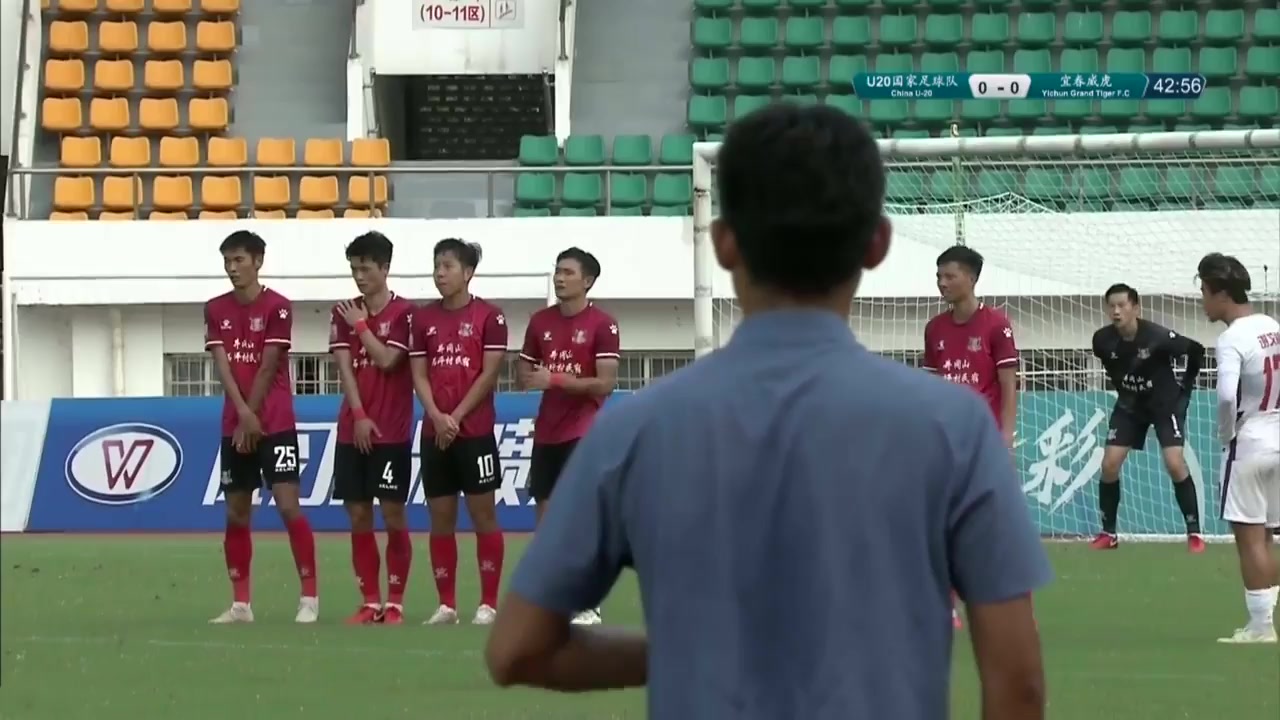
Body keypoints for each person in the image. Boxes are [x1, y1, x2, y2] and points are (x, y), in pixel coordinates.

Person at [485, 104, 1050, 720]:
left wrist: (685, 652)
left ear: (725, 243)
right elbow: (1017, 683)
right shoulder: (955, 427)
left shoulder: (638, 427)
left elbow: (515, 648)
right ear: (876, 243)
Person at [204, 230, 318, 624]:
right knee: (236, 512)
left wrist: (252, 415)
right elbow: (222, 364)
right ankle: (240, 604)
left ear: (258, 261)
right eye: (227, 261)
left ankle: (309, 598)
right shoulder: (215, 308)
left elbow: (269, 364)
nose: (232, 268)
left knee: (288, 506)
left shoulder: (278, 307)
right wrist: (242, 414)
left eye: (239, 260)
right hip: (236, 424)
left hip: (276, 423)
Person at [516, 246, 620, 627]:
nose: (559, 278)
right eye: (557, 271)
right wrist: (524, 372)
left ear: (587, 281)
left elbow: (605, 384)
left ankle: (588, 602)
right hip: (546, 432)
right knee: (545, 521)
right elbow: (525, 373)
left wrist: (555, 378)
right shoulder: (540, 321)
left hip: (583, 432)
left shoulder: (603, 325)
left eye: (568, 272)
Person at [411, 238, 509, 626]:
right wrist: (436, 415)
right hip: (435, 432)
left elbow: (489, 373)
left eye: (448, 266)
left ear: (468, 273)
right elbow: (418, 373)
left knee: (483, 515)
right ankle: (447, 605)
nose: (440, 273)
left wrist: (457, 416)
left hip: (476, 432)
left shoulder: (490, 317)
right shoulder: (422, 319)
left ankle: (488, 603)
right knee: (441, 518)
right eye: (437, 265)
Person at [924, 244, 1021, 630]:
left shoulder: (997, 324)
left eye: (950, 275)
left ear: (972, 278)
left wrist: (1007, 434)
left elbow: (1009, 383)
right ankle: (946, 603)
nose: (942, 283)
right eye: (939, 276)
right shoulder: (934, 328)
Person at [329, 231, 416, 625]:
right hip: (353, 428)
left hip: (392, 431)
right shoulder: (342, 311)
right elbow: (345, 367)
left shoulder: (405, 315)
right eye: (353, 268)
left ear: (385, 268)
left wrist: (361, 326)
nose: (359, 276)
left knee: (393, 515)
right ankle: (369, 600)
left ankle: (395, 601)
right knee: (359, 516)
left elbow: (387, 361)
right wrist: (359, 413)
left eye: (365, 268)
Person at [1198, 253, 1280, 644]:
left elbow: (1227, 397)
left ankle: (1261, 626)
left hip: (1248, 443)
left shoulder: (1231, 338)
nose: (1202, 300)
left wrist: (1225, 434)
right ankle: (1265, 618)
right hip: (1278, 435)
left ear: (1221, 294)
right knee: (1267, 535)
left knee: (1249, 539)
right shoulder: (1272, 325)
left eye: (1204, 291)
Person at [1089, 283, 1205, 553]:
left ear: (1136, 308)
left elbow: (1196, 350)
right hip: (1130, 406)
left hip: (1164, 406)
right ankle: (1109, 533)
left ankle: (1195, 533)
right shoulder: (1102, 341)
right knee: (1109, 464)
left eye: (1122, 305)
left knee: (1175, 463)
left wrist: (1184, 390)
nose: (1116, 311)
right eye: (1112, 306)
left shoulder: (1158, 336)